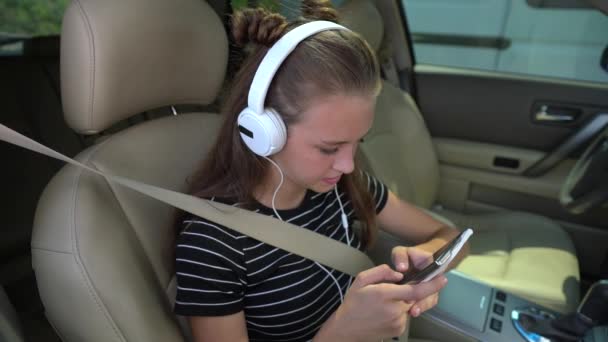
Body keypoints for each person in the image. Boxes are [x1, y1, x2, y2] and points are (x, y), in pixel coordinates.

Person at [173, 0, 469, 340]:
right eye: (329, 148)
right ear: (264, 132)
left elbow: (454, 239)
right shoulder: (215, 243)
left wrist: (426, 261)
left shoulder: (344, 188)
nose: (347, 165)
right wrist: (343, 332)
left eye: (358, 142)